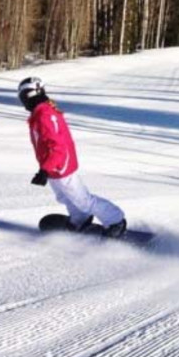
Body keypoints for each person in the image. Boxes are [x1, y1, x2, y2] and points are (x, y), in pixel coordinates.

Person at [17, 77, 127, 237]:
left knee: (83, 200)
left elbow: (58, 147)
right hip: (52, 166)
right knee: (65, 196)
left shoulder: (45, 115)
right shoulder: (40, 113)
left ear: (30, 95)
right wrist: (45, 169)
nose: (22, 101)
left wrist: (45, 170)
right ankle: (80, 218)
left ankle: (115, 220)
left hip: (62, 165)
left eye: (22, 96)